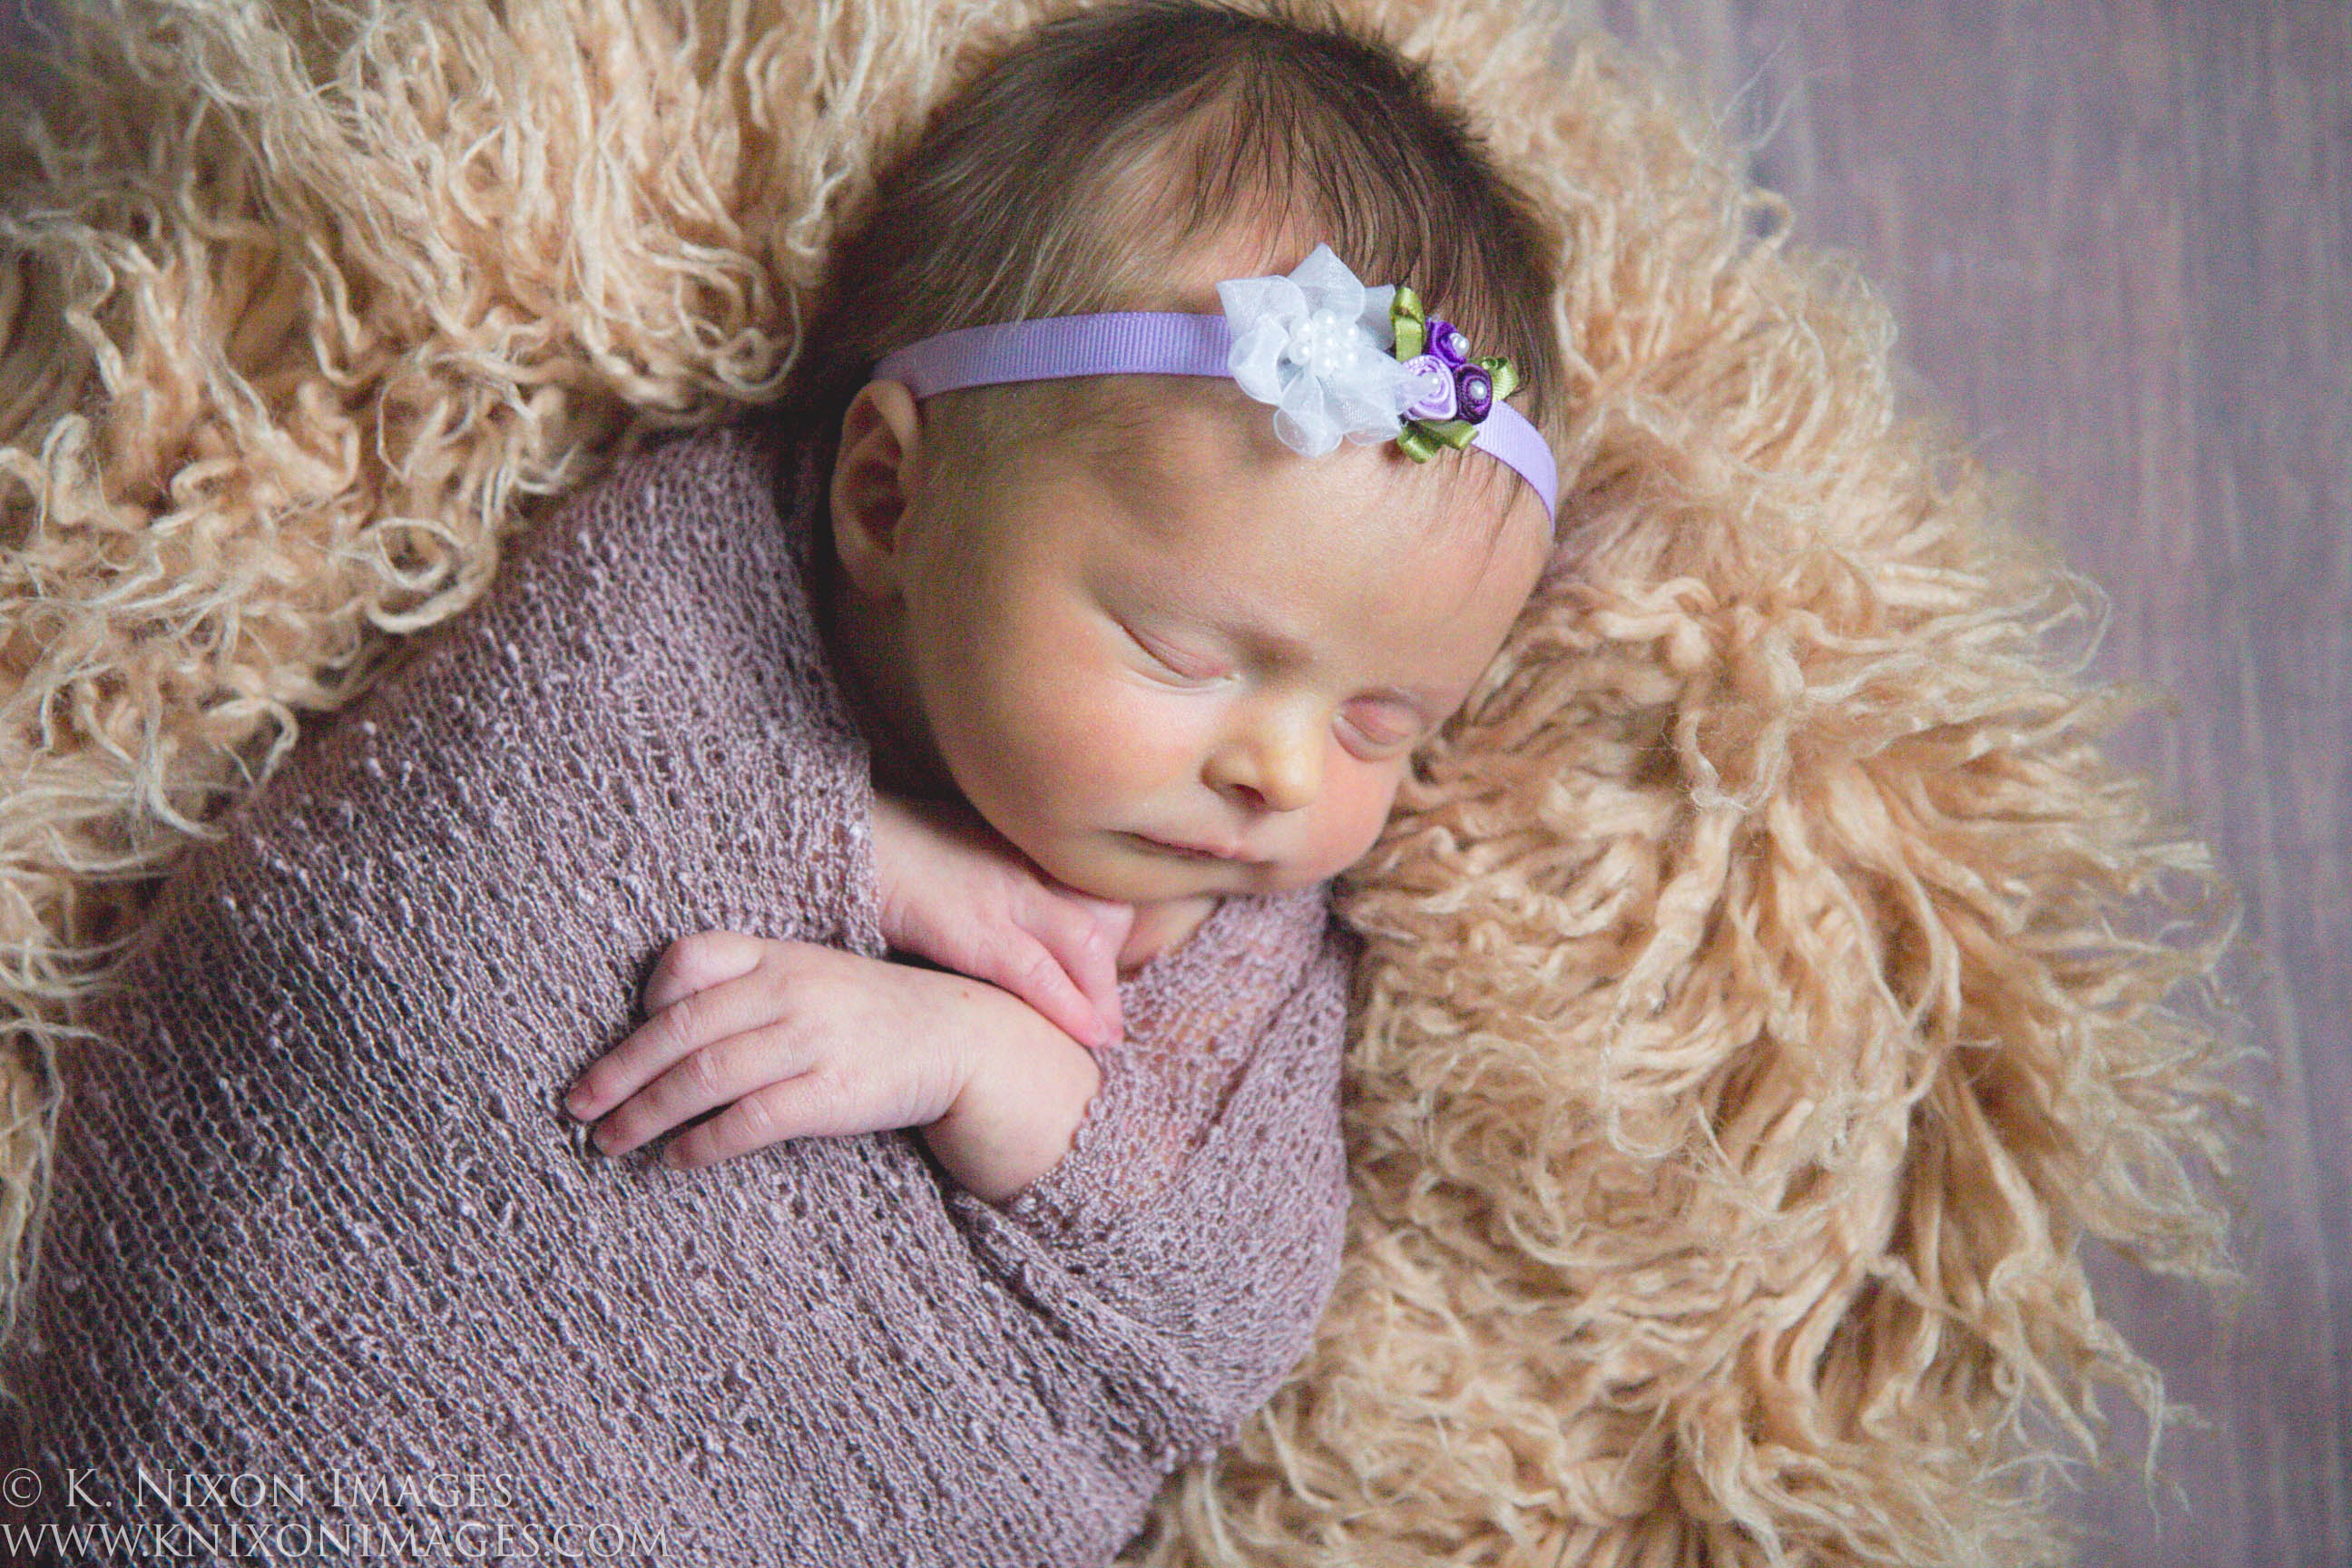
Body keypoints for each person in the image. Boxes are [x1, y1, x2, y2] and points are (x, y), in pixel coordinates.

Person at [0, 3, 1562, 1563]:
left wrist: (981, 1062)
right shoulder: (688, 579)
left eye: (1383, 724)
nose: (1279, 773)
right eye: (1180, 650)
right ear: (891, 500)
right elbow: (406, 876)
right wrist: (859, 852)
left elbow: (1230, 1305)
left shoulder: (1255, 954)